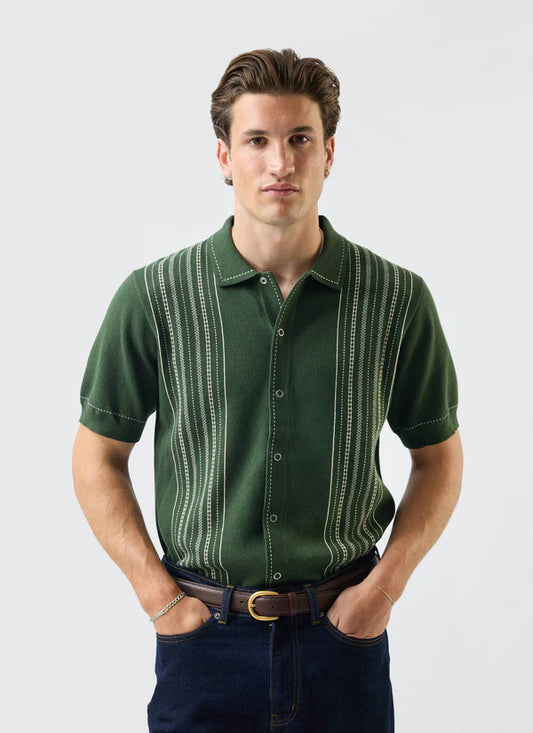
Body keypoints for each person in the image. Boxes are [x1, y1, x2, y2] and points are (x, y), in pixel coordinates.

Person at [72, 48, 463, 732]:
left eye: (299, 139)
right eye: (257, 140)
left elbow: (438, 457)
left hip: (343, 639)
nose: (280, 162)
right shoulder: (154, 298)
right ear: (224, 157)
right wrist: (160, 599)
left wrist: (382, 591)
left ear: (328, 153)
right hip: (202, 641)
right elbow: (96, 455)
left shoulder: (396, 300)